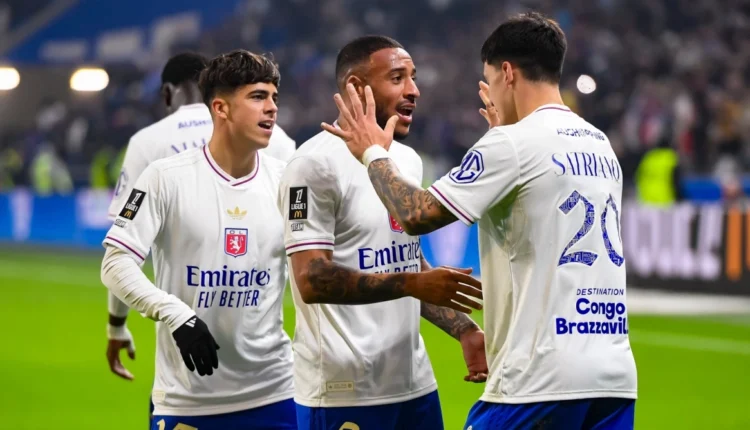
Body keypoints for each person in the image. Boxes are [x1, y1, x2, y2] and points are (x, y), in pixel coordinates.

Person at [323, 12, 638, 430]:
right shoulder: (599, 143)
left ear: (507, 73)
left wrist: (372, 152)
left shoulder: (510, 143)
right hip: (614, 378)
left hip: (539, 381)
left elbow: (415, 214)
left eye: (489, 78)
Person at [278, 35, 486, 430]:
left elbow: (405, 259)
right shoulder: (312, 165)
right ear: (357, 87)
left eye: (413, 77)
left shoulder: (404, 161)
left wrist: (463, 327)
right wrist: (412, 283)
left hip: (415, 385)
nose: (413, 90)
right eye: (397, 78)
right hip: (344, 391)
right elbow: (311, 279)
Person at [101, 49, 296, 430]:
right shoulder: (164, 178)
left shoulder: (287, 180)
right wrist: (174, 313)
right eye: (258, 97)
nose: (272, 107)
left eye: (274, 97)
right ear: (220, 108)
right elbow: (115, 263)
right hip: (188, 400)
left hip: (276, 393)